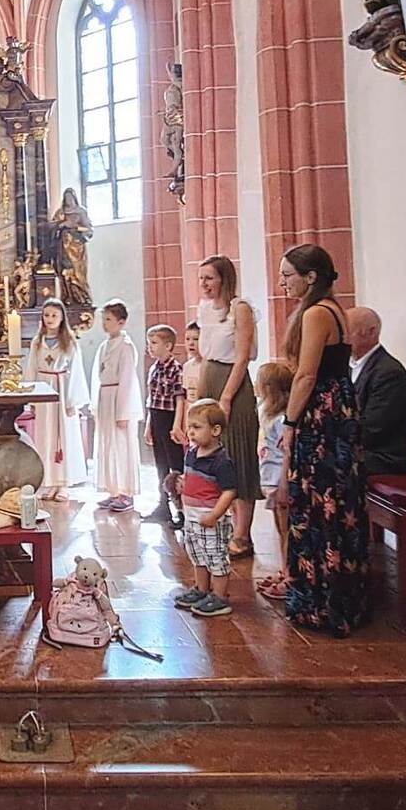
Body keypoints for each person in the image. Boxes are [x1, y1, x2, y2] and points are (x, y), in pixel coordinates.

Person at [275, 243, 369, 636]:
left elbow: (306, 375)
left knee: (317, 501)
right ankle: (343, 598)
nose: (282, 283)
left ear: (310, 276)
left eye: (287, 275)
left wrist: (289, 422)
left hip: (320, 415)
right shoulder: (336, 309)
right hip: (340, 409)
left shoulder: (316, 313)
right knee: (337, 499)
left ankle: (318, 602)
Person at [194, 256, 262, 556]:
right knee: (212, 457)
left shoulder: (240, 308)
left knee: (237, 457)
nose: (204, 284)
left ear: (224, 279)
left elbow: (242, 356)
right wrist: (200, 398)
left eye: (209, 278)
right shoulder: (204, 309)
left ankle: (242, 535)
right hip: (209, 378)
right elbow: (204, 356)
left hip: (233, 385)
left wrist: (225, 398)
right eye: (201, 278)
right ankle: (220, 525)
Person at [173, 399, 236, 619]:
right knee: (197, 555)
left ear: (215, 430)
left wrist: (214, 515)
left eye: (197, 427)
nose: (191, 432)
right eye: (189, 426)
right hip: (192, 517)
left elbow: (229, 492)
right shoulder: (192, 453)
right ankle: (201, 589)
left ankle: (219, 596)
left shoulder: (221, 461)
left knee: (215, 556)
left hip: (211, 520)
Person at [22, 298, 88, 500]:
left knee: (63, 437)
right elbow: (31, 368)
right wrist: (31, 398)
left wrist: (72, 401)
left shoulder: (69, 342)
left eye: (54, 315)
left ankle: (63, 483)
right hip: (43, 390)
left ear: (61, 318)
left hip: (62, 390)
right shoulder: (37, 341)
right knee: (45, 437)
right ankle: (50, 481)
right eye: (46, 315)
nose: (50, 319)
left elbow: (76, 372)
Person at [348, 306, 406, 475]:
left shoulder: (388, 373)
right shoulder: (348, 367)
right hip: (359, 450)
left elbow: (373, 429)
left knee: (321, 465)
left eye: (348, 332)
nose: (342, 339)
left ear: (371, 332)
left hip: (383, 458)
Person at [90, 300, 143, 511]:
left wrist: (122, 413)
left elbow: (127, 381)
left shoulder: (126, 347)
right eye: (103, 319)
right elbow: (98, 375)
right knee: (108, 445)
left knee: (122, 446)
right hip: (106, 398)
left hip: (119, 400)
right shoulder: (105, 346)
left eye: (109, 319)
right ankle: (113, 489)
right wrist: (96, 404)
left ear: (121, 322)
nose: (105, 324)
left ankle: (126, 492)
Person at [254, 360, 295, 599]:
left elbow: (286, 452)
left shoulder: (282, 420)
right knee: (280, 530)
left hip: (279, 478)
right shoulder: (269, 413)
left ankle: (289, 574)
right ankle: (284, 568)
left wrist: (283, 483)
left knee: (286, 529)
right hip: (270, 475)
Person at [142, 324, 184, 527]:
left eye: (154, 343)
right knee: (160, 465)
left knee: (175, 465)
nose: (150, 347)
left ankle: (182, 509)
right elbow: (151, 400)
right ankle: (163, 505)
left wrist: (177, 425)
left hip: (170, 419)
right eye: (149, 343)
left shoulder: (176, 369)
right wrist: (148, 425)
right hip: (157, 417)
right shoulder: (154, 369)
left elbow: (179, 398)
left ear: (168, 346)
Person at [175, 322, 204, 447]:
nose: (191, 343)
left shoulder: (208, 366)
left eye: (196, 339)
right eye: (187, 339)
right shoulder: (187, 366)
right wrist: (183, 424)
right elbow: (185, 398)